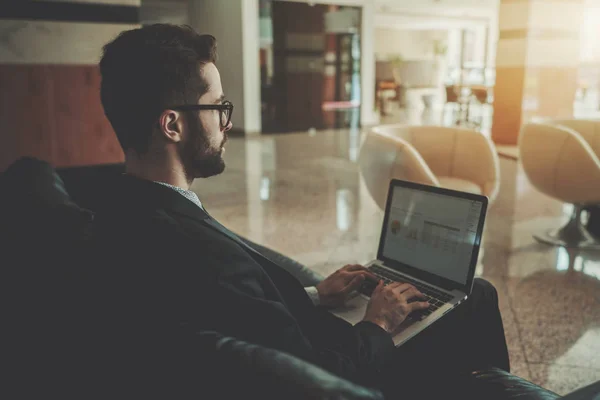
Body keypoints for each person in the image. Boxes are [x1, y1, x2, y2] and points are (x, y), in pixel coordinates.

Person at [92, 24, 509, 398]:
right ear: (172, 125)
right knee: (477, 295)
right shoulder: (196, 250)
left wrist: (314, 296)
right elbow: (321, 378)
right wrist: (379, 323)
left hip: (317, 334)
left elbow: (243, 315)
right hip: (351, 364)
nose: (226, 123)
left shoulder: (123, 207)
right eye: (218, 107)